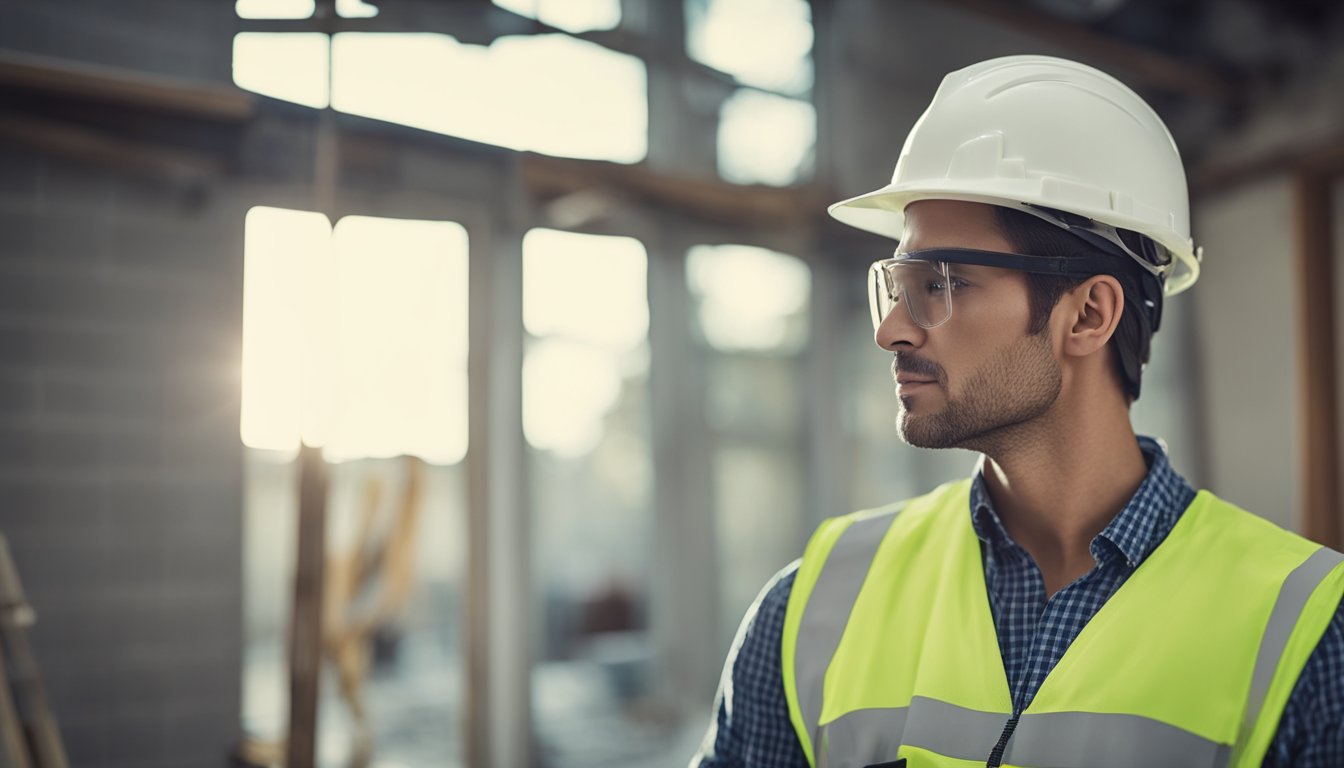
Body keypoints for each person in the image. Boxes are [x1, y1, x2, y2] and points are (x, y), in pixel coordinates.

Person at [690, 55, 1344, 768]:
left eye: (940, 283)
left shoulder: (1307, 631)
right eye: (898, 284)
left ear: (1088, 315)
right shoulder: (812, 606)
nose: (892, 330)